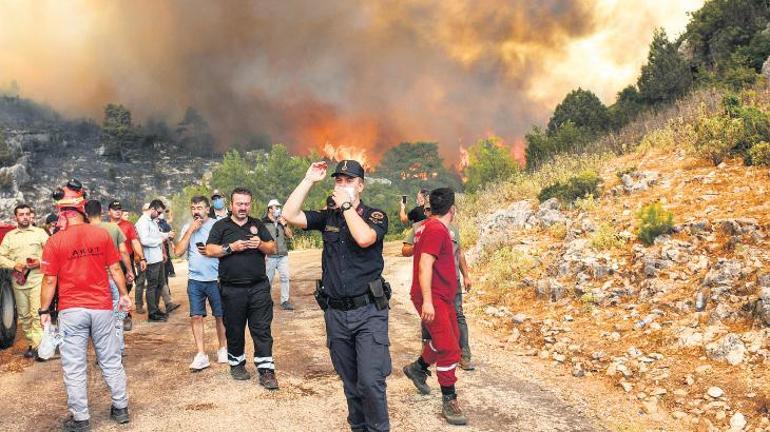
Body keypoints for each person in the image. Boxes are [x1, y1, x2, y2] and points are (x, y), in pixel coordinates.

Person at [284, 159, 391, 432]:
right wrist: (308, 179)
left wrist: (345, 206)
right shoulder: (327, 218)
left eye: (349, 181)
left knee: (370, 381)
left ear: (361, 185)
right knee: (351, 382)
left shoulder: (375, 215)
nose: (343, 185)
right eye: (338, 180)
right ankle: (358, 427)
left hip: (368, 312)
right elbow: (289, 214)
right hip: (336, 313)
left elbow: (365, 238)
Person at [39, 180, 132, 431]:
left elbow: (49, 280)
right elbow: (115, 268)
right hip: (101, 307)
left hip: (72, 310)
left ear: (63, 213)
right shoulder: (101, 234)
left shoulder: (55, 241)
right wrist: (124, 295)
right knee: (111, 359)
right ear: (82, 209)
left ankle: (81, 419)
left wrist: (44, 311)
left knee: (75, 365)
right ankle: (120, 408)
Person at [402, 188, 468, 426]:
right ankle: (449, 399)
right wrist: (428, 300)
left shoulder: (428, 227)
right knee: (450, 349)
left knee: (451, 338)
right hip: (433, 297)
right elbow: (425, 266)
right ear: (453, 209)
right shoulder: (436, 229)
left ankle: (417, 368)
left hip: (442, 296)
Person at [205, 187, 279, 389]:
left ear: (251, 204)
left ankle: (266, 370)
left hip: (258, 287)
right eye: (239, 204)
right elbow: (209, 250)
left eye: (246, 204)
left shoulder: (257, 224)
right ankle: (237, 364)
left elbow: (273, 248)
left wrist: (260, 244)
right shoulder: (221, 226)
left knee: (262, 329)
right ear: (231, 205)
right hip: (231, 289)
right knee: (235, 329)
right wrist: (231, 248)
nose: (243, 208)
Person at [402, 208, 475, 370]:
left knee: (458, 315)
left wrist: (466, 276)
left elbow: (460, 253)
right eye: (427, 209)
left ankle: (464, 354)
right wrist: (420, 246)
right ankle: (427, 354)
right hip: (430, 284)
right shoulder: (419, 228)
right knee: (429, 318)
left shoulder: (453, 228)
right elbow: (405, 250)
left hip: (452, 282)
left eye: (432, 209)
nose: (429, 212)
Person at [174, 196, 227, 371]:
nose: (196, 211)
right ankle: (201, 354)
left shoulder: (218, 225)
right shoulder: (187, 227)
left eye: (199, 207)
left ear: (207, 209)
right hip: (195, 281)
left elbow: (228, 251)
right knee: (196, 316)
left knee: (220, 315)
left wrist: (212, 252)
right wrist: (190, 231)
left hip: (216, 279)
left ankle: (223, 349)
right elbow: (178, 252)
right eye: (193, 207)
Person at [85, 200, 135, 355]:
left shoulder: (84, 231)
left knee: (97, 318)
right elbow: (124, 252)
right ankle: (119, 348)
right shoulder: (113, 227)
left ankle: (103, 353)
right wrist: (129, 270)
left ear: (86, 214)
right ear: (101, 212)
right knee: (117, 315)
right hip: (112, 278)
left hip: (92, 281)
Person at [0, 204, 48, 359]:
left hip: (37, 279)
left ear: (32, 216)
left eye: (28, 214)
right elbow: (1, 256)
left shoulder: (40, 233)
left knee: (36, 313)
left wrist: (39, 262)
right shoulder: (10, 237)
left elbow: (52, 253)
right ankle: (31, 343)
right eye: (21, 214)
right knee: (24, 315)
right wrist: (14, 265)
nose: (25, 217)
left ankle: (39, 347)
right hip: (19, 281)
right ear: (16, 217)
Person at [107, 199, 146, 331]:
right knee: (115, 290)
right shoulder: (106, 227)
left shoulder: (128, 225)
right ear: (109, 212)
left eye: (120, 209)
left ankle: (122, 314)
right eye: (115, 209)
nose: (118, 211)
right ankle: (122, 316)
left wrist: (142, 258)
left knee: (127, 286)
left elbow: (135, 242)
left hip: (126, 260)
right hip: (111, 261)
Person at [135, 199, 176, 322]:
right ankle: (152, 313)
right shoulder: (142, 222)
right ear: (152, 209)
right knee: (152, 286)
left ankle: (156, 309)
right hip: (151, 260)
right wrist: (161, 240)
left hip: (157, 258)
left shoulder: (152, 221)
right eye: (158, 212)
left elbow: (157, 234)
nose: (159, 215)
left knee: (159, 284)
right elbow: (145, 241)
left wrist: (167, 235)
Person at [262, 199, 294, 311]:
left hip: (282, 255)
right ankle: (267, 301)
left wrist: (284, 224)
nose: (278, 209)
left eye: (279, 207)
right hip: (269, 256)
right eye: (276, 207)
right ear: (270, 209)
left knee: (285, 277)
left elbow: (290, 235)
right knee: (268, 279)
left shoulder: (282, 221)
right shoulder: (263, 222)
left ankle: (285, 301)